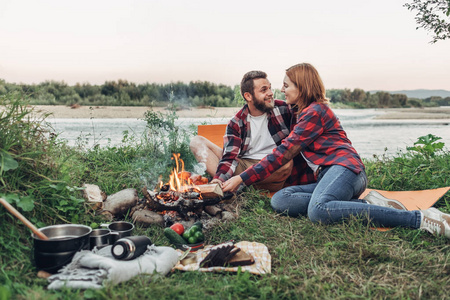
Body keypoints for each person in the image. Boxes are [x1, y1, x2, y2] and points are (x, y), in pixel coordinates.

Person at [222, 63, 450, 238]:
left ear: (302, 87)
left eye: (286, 85)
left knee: (318, 211)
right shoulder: (300, 112)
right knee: (281, 200)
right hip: (328, 176)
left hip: (346, 170)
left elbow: (283, 152)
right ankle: (371, 204)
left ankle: (419, 219)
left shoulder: (315, 112)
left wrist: (241, 178)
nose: (281, 90)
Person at [189, 70, 315, 192]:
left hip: (273, 167)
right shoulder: (237, 122)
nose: (271, 93)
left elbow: (298, 139)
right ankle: (226, 185)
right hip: (244, 166)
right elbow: (230, 157)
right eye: (264, 90)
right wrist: (218, 178)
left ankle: (237, 186)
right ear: (248, 96)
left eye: (270, 88)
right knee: (196, 142)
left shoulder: (285, 109)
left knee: (286, 163)